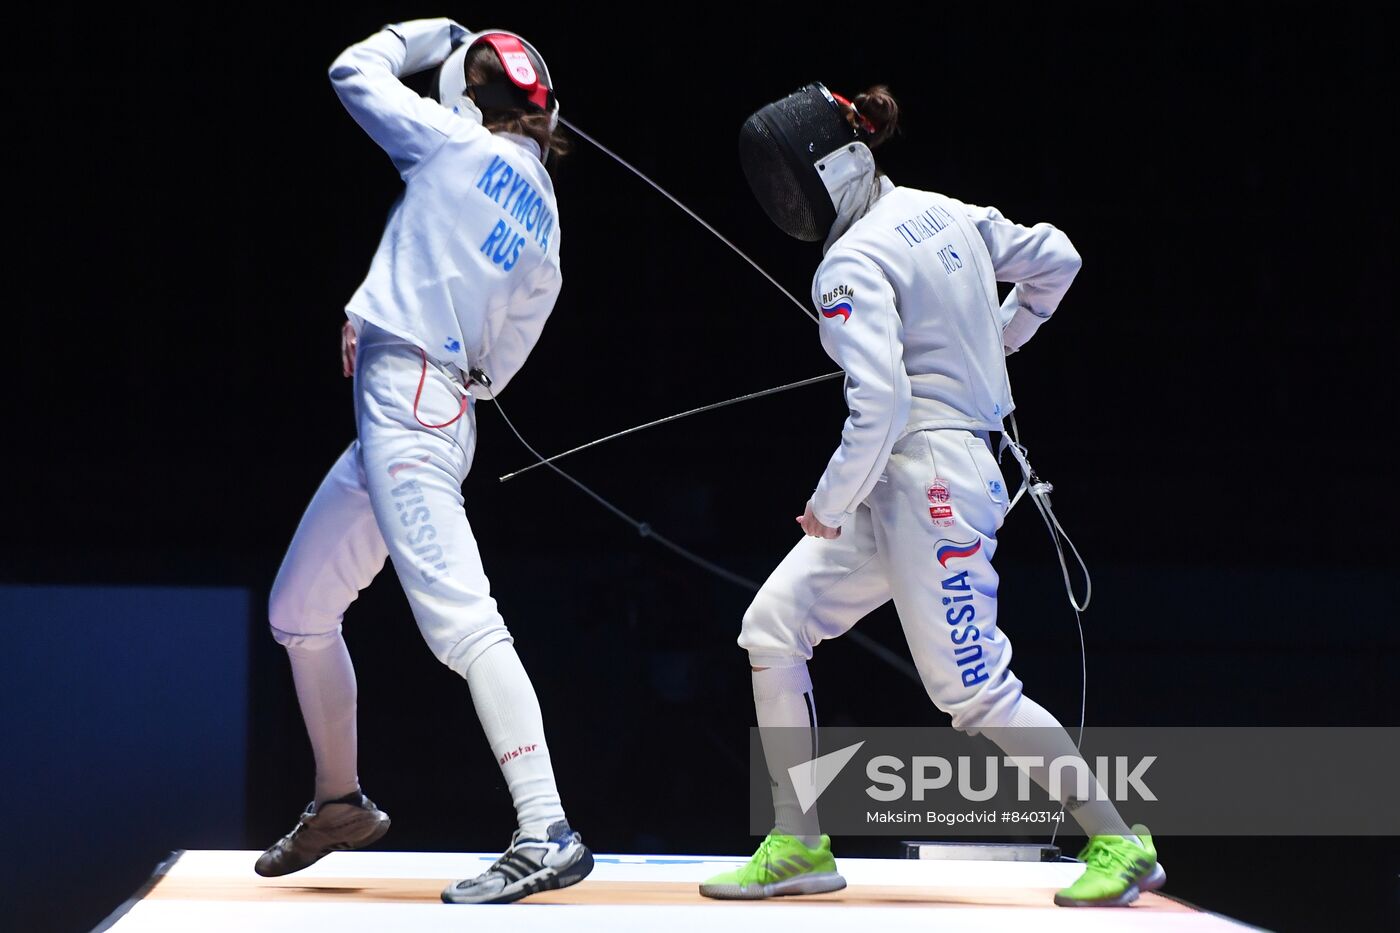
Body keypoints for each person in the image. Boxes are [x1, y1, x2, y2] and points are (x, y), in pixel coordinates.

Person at [699, 83, 1163, 908]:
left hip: (928, 482)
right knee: (772, 626)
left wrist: (828, 503)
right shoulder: (943, 210)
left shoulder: (849, 263)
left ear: (822, 172)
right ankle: (799, 842)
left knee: (974, 688)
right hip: (922, 473)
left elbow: (878, 401)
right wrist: (1002, 339)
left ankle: (1120, 840)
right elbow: (1058, 257)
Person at [254, 18, 593, 905]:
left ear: (465, 96)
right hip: (430, 411)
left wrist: (429, 31)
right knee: (300, 608)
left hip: (405, 408)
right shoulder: (546, 214)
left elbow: (350, 69)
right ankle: (339, 801)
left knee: (463, 622)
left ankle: (545, 824)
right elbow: (510, 350)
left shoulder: (450, 141)